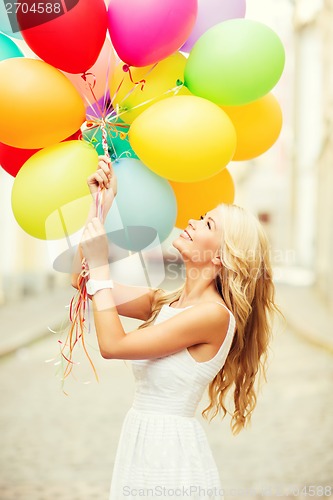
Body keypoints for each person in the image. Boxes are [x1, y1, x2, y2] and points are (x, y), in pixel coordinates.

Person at [72, 155, 281, 499]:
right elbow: (81, 281)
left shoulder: (213, 317)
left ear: (221, 257)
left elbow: (112, 346)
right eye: (201, 217)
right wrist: (100, 209)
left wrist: (99, 263)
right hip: (142, 442)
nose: (193, 223)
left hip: (169, 456)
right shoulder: (164, 302)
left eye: (209, 225)